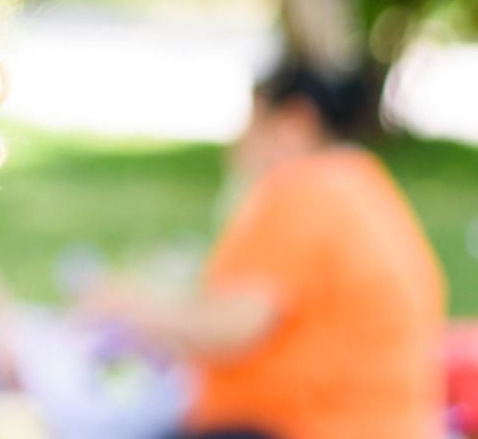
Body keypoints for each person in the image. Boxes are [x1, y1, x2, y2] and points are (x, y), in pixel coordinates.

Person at [87, 59, 447, 439]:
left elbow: (234, 327)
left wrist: (134, 309)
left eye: (252, 122)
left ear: (295, 122)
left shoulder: (301, 189)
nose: (238, 142)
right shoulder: (358, 180)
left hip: (312, 427)